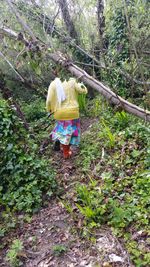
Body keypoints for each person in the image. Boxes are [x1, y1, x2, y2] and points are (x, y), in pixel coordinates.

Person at [46, 77, 87, 159]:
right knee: (70, 133)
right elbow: (84, 91)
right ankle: (66, 152)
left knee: (63, 133)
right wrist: (81, 84)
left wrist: (49, 110)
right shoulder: (73, 82)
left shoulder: (53, 84)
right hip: (73, 113)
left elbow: (49, 100)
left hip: (60, 113)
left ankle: (65, 150)